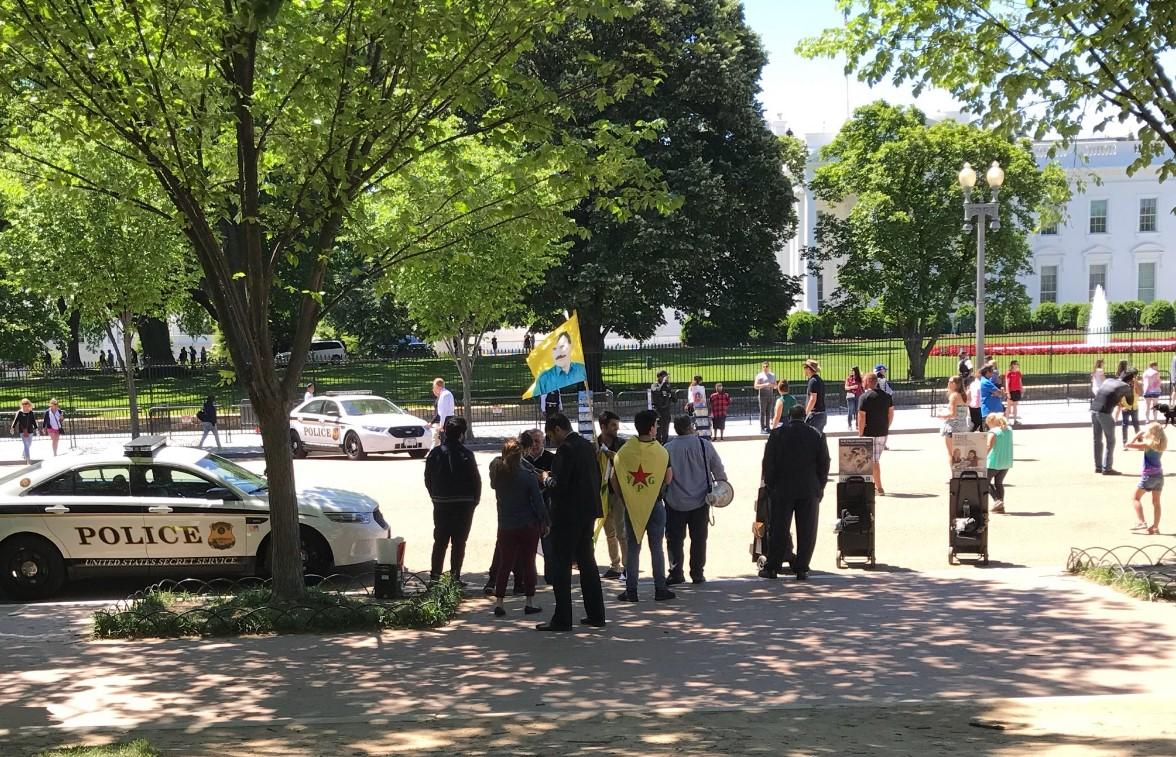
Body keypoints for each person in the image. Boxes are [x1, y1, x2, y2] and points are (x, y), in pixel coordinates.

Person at [538, 412, 606, 631]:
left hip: (568, 515)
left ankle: (562, 618)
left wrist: (545, 478)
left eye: (550, 435)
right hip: (587, 512)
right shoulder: (587, 446)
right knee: (587, 564)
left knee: (561, 566)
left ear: (558, 429)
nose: (551, 440)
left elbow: (559, 485)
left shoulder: (566, 449)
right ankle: (596, 614)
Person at [759, 405, 830, 581]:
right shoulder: (816, 434)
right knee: (807, 530)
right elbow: (824, 463)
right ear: (804, 417)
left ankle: (773, 566)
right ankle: (802, 568)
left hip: (782, 488)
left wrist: (770, 485)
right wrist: (820, 485)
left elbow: (768, 462)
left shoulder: (777, 434)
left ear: (788, 417)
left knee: (779, 529)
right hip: (808, 487)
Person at [613, 409, 674, 602]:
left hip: (632, 505)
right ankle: (660, 588)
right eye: (656, 424)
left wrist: (624, 497)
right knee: (656, 547)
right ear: (651, 427)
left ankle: (631, 590)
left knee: (633, 548)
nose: (657, 428)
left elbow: (615, 478)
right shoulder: (661, 451)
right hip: (655, 504)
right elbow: (669, 477)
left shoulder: (625, 450)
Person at [483, 429, 552, 597]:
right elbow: (537, 499)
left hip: (505, 518)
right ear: (524, 449)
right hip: (526, 519)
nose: (535, 447)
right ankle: (525, 593)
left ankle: (498, 589)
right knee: (526, 558)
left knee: (504, 555)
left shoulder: (499, 468)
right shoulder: (525, 471)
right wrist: (546, 520)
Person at [664, 414, 726, 585]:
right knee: (699, 539)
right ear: (691, 426)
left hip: (675, 500)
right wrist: (722, 489)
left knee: (674, 539)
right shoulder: (704, 445)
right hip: (701, 500)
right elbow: (719, 471)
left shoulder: (667, 448)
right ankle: (697, 572)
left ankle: (676, 571)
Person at [424, 417, 481, 583]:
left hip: (442, 502)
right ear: (461, 434)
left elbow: (427, 479)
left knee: (440, 541)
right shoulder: (467, 454)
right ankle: (455, 576)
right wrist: (474, 501)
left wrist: (435, 496)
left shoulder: (435, 454)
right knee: (459, 542)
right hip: (464, 504)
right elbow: (476, 480)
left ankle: (435, 577)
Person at [596, 411, 627, 580]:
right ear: (603, 427)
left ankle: (628, 566)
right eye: (613, 425)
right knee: (609, 532)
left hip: (618, 493)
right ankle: (614, 566)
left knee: (622, 532)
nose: (616, 428)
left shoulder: (622, 444)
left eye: (617, 425)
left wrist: (614, 457)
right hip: (602, 493)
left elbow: (627, 465)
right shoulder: (594, 444)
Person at [1091, 368, 1136, 475]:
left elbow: (1106, 395)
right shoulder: (1126, 386)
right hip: (1105, 413)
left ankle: (1098, 467)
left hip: (1094, 409)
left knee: (1097, 440)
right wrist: (1132, 387)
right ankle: (1107, 468)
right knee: (1110, 441)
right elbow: (1131, 402)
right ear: (1131, 380)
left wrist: (1116, 401)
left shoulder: (1108, 380)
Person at [1125, 422, 1167, 535]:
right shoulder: (1162, 444)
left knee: (1135, 498)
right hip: (1159, 476)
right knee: (1156, 502)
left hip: (1148, 476)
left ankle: (1141, 522)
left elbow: (1127, 444)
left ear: (1151, 432)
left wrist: (1138, 434)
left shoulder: (1148, 444)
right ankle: (1155, 527)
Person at [857, 373, 894, 496]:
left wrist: (860, 433)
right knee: (874, 460)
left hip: (869, 432)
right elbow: (891, 414)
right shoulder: (887, 396)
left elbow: (861, 417)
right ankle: (873, 486)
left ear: (867, 382)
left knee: (872, 461)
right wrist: (886, 427)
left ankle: (878, 487)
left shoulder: (864, 397)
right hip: (882, 432)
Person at [530, 331, 587, 397]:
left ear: (571, 346)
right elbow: (537, 401)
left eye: (562, 346)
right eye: (554, 349)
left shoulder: (582, 370)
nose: (558, 353)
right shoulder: (544, 379)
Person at [939, 376, 969, 472]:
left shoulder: (954, 396)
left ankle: (954, 475)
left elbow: (953, 414)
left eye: (951, 381)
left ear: (956, 384)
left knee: (951, 453)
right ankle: (960, 472)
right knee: (960, 453)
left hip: (952, 427)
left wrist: (942, 415)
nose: (948, 383)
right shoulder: (963, 395)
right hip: (962, 427)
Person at [985, 412, 1014, 514]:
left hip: (994, 462)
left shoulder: (993, 432)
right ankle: (1001, 506)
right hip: (1006, 461)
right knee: (999, 483)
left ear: (992, 422)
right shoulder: (1009, 430)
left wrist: (981, 457)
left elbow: (988, 447)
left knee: (985, 482)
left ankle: (997, 501)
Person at [802, 359, 827, 432]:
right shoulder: (819, 380)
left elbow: (813, 399)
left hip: (815, 415)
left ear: (809, 369)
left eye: (805, 368)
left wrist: (805, 413)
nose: (804, 370)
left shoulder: (813, 381)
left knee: (810, 439)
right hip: (821, 414)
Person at [11, 398, 38, 464]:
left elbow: (33, 421)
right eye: (23, 404)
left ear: (28, 404)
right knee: (26, 444)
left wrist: (36, 428)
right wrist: (12, 428)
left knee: (29, 444)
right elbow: (16, 420)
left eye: (26, 404)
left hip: (30, 430)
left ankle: (24, 454)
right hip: (22, 431)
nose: (24, 405)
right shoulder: (19, 412)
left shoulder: (31, 412)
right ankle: (28, 459)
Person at [649, 370, 673, 444]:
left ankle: (665, 443)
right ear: (659, 377)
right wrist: (663, 383)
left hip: (666, 411)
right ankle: (658, 444)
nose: (666, 378)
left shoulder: (667, 386)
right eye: (664, 377)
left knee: (665, 429)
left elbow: (674, 399)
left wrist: (671, 392)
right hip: (658, 411)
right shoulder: (654, 385)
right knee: (658, 430)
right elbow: (657, 391)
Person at [430, 378, 455, 447]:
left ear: (437, 386)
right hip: (449, 419)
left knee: (443, 442)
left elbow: (443, 412)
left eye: (434, 387)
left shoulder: (444, 395)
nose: (434, 389)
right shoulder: (447, 393)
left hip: (446, 420)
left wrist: (441, 425)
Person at [753, 361, 777, 434]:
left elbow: (776, 386)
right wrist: (765, 385)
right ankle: (762, 428)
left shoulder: (772, 375)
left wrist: (771, 385)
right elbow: (756, 386)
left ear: (768, 367)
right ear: (762, 367)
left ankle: (768, 427)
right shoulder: (759, 375)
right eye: (764, 367)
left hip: (770, 395)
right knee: (762, 412)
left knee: (769, 412)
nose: (765, 368)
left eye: (766, 366)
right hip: (762, 396)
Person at [1120, 373, 1141, 450]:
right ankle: (1125, 443)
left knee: (1136, 425)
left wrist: (1136, 383)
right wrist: (1122, 407)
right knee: (1125, 426)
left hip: (1134, 408)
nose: (1131, 382)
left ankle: (1139, 442)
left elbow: (1139, 392)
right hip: (1126, 408)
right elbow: (1118, 399)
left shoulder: (1135, 386)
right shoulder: (1122, 387)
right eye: (1131, 380)